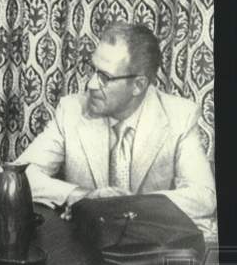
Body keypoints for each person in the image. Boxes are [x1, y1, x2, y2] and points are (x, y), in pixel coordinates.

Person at [16, 21, 216, 236]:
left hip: (150, 249)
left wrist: (127, 205)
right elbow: (19, 175)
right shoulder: (71, 109)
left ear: (138, 85)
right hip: (87, 247)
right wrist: (81, 195)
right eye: (92, 70)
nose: (91, 85)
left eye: (105, 77)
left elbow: (203, 197)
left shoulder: (179, 117)